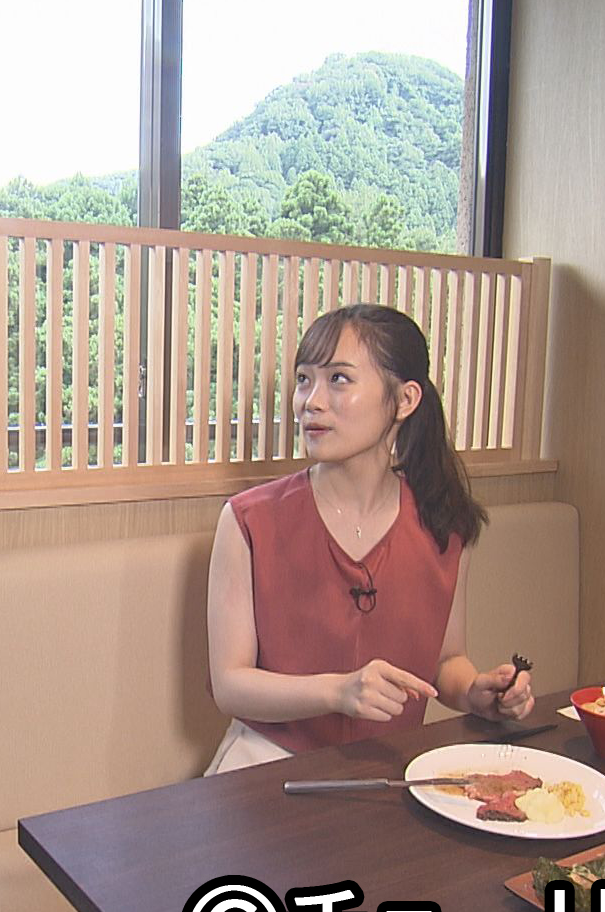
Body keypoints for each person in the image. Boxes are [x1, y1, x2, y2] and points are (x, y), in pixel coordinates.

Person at [205, 303, 534, 773]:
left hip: (393, 767)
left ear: (405, 400)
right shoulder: (248, 520)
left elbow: (447, 661)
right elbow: (230, 685)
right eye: (304, 379)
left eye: (339, 379)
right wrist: (339, 691)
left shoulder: (444, 523)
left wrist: (476, 692)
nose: (311, 401)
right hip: (267, 761)